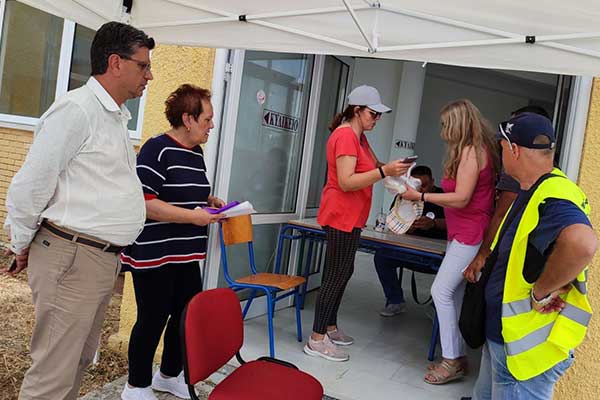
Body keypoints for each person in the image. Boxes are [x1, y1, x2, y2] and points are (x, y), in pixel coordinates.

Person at [3, 22, 154, 400]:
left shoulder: (113, 115)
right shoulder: (77, 110)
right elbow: (31, 184)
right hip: (72, 256)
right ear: (116, 63)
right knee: (53, 375)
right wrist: (20, 242)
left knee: (78, 362)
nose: (149, 75)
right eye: (143, 66)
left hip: (95, 259)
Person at [470, 112, 597, 400]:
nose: (501, 154)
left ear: (514, 149)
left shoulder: (554, 194)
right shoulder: (533, 188)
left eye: (502, 147)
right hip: (507, 339)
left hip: (526, 352)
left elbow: (582, 243)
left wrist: (542, 292)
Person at [119, 84, 225, 400]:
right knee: (152, 319)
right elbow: (145, 202)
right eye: (207, 119)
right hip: (154, 253)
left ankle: (168, 375)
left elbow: (184, 191)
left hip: (185, 252)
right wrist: (193, 217)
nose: (212, 125)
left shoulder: (196, 153)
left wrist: (209, 201)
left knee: (185, 317)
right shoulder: (156, 149)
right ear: (188, 119)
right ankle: (136, 386)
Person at [303, 85, 412, 362]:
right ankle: (316, 339)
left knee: (344, 271)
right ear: (357, 110)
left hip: (352, 216)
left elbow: (374, 167)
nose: (377, 119)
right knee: (335, 275)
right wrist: (384, 171)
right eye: (373, 114)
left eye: (379, 115)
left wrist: (397, 170)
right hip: (340, 214)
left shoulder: (359, 137)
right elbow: (346, 181)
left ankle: (329, 327)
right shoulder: (345, 136)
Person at [402, 99, 499, 384]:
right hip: (462, 232)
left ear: (458, 124)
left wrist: (420, 196)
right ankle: (457, 356)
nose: (442, 130)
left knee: (441, 292)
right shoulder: (472, 150)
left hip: (470, 232)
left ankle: (452, 360)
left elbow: (462, 198)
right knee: (453, 296)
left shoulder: (471, 151)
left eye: (445, 124)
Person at [463, 105, 551, 283]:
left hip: (509, 264)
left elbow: (502, 214)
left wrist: (482, 254)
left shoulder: (518, 176)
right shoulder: (549, 178)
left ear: (515, 149)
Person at [374, 165, 447, 317]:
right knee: (382, 256)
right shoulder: (404, 195)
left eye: (424, 186)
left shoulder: (443, 197)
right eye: (416, 186)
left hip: (436, 255)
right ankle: (395, 300)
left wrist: (434, 223)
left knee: (452, 270)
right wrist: (406, 227)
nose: (420, 190)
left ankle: (437, 308)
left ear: (433, 182)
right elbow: (393, 221)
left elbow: (454, 224)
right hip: (409, 251)